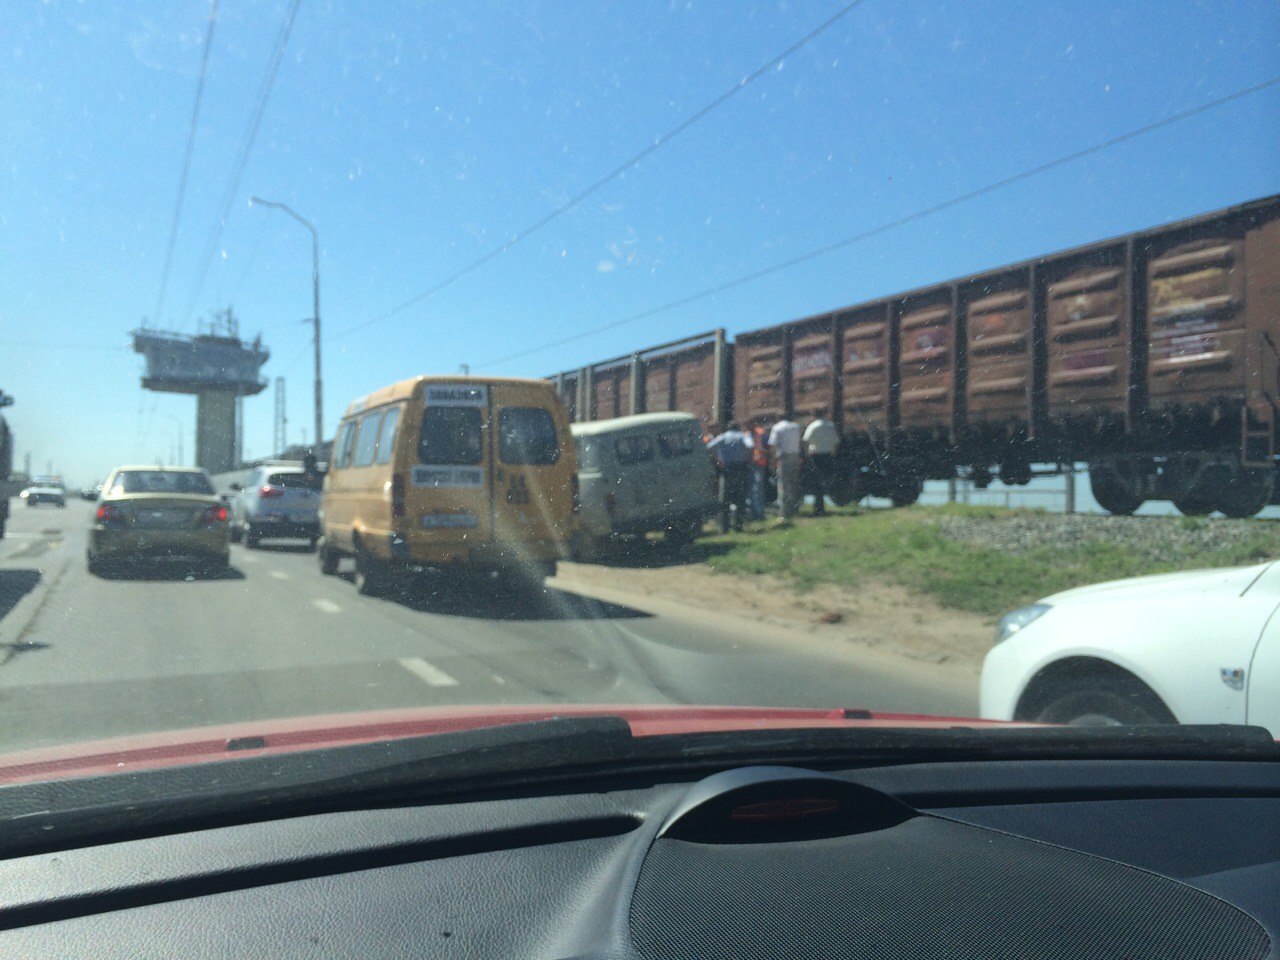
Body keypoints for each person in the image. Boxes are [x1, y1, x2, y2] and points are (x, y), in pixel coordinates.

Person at [706, 421, 753, 532]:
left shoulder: (723, 436)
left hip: (727, 469)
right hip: (741, 468)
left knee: (725, 499)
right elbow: (751, 446)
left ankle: (725, 527)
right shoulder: (742, 436)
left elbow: (709, 447)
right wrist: (748, 458)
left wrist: (718, 460)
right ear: (738, 428)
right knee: (740, 498)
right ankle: (738, 526)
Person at [767, 412, 801, 524]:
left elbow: (773, 445)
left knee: (783, 485)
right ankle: (795, 508)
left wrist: (772, 462)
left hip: (784, 457)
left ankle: (785, 512)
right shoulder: (796, 427)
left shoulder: (777, 427)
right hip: (795, 456)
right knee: (793, 483)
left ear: (778, 418)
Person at [803, 414, 839, 517]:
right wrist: (832, 453)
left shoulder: (813, 426)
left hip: (815, 456)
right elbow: (836, 441)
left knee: (816, 481)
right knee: (824, 480)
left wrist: (807, 453)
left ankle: (818, 507)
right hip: (827, 455)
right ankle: (821, 506)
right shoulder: (830, 426)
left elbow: (805, 440)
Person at [748, 422, 769, 521]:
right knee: (752, 489)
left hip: (759, 463)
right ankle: (754, 512)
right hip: (750, 464)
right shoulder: (746, 435)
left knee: (758, 489)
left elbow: (767, 446)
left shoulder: (760, 433)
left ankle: (759, 512)